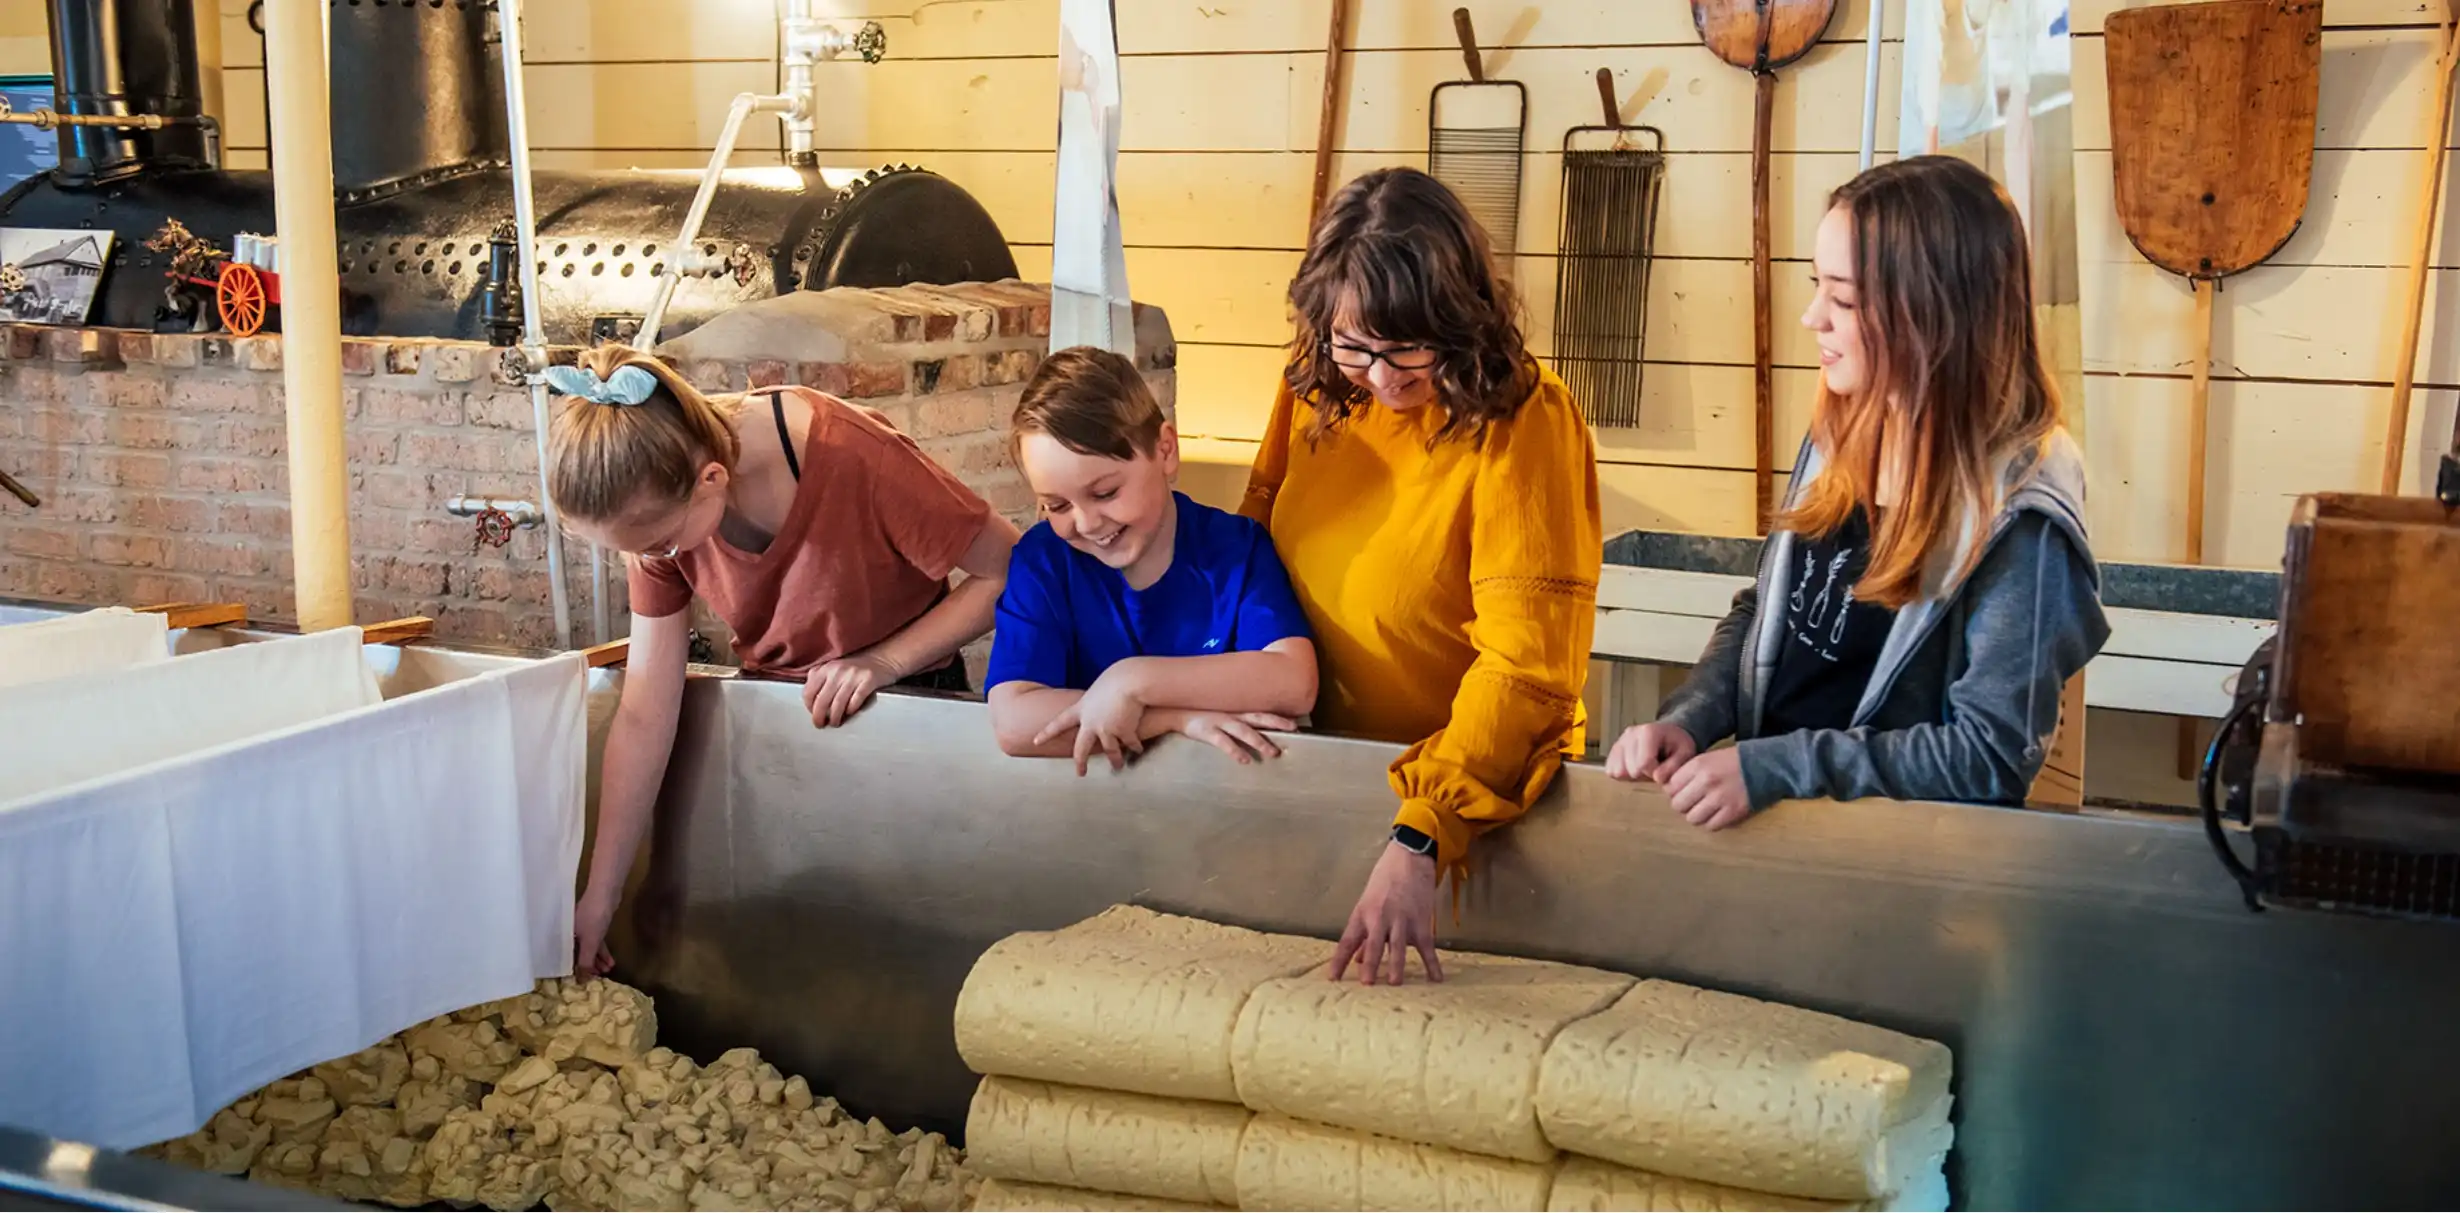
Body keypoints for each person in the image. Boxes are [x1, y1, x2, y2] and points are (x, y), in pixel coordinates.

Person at [1606, 155, 2109, 827]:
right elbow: (1769, 613)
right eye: (1819, 286)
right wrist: (1694, 714)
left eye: (1843, 299)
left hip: (1901, 876)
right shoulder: (1842, 427)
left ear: (1934, 314)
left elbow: (1988, 755)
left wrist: (1778, 767)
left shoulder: (2022, 510)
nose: (1813, 316)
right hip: (1779, 838)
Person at [544, 346, 1019, 976]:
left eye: (659, 544)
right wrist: (602, 896)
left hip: (907, 717)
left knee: (899, 955)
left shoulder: (854, 456)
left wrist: (882, 661)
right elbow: (644, 713)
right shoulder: (654, 496)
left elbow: (1012, 571)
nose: (655, 558)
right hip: (776, 722)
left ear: (711, 479)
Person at [1240, 168, 1602, 986]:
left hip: (1474, 806)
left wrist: (1423, 829)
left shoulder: (1526, 420)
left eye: (1408, 346)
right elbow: (1247, 565)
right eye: (1354, 344)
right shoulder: (1316, 386)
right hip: (1318, 770)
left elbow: (1527, 666)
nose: (1381, 376)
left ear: (1462, 318)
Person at [986, 346, 1318, 773]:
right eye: (1056, 506)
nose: (1086, 523)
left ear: (1164, 451)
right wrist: (1173, 720)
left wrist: (1132, 682)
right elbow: (1014, 722)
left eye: (1105, 493)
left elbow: (1293, 683)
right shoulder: (1043, 561)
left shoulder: (1236, 549)